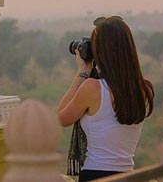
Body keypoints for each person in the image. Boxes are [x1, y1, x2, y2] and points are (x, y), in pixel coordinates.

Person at [58, 16, 154, 182]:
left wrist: (82, 72)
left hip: (96, 175)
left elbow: (61, 118)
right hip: (129, 175)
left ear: (100, 52)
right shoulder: (144, 90)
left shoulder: (93, 88)